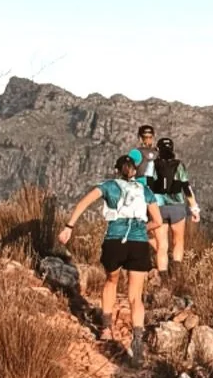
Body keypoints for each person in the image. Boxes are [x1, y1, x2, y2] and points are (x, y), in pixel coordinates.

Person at [56, 155, 163, 360]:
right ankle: (137, 339)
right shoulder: (145, 191)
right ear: (134, 172)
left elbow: (84, 203)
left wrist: (69, 226)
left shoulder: (108, 186)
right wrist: (142, 228)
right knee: (135, 295)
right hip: (139, 244)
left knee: (111, 281)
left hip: (115, 241)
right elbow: (157, 221)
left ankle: (106, 329)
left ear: (117, 170)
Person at [147, 137, 199, 277]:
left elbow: (148, 187)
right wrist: (194, 208)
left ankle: (163, 278)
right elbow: (186, 188)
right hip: (177, 207)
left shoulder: (153, 165)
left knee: (162, 245)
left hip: (158, 208)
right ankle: (176, 274)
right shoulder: (179, 165)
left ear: (158, 149)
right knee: (178, 241)